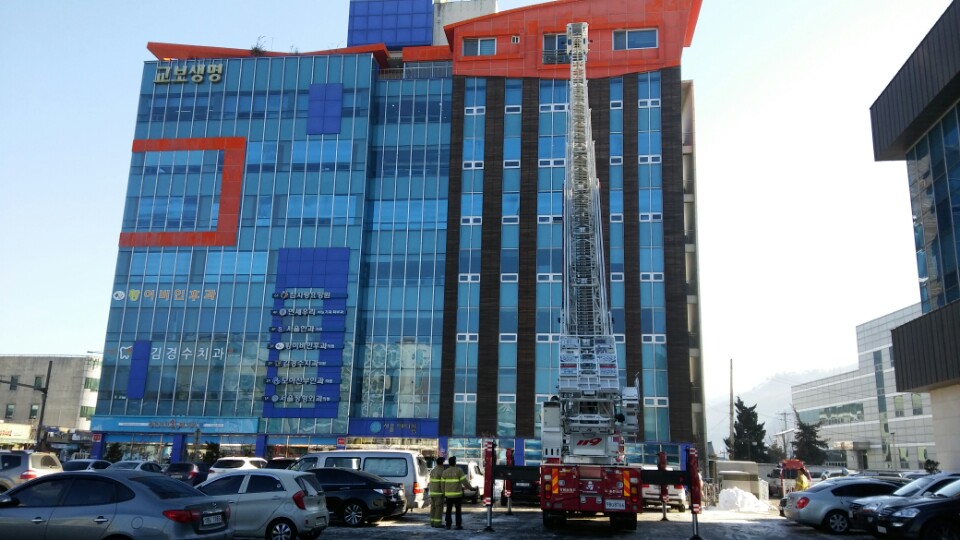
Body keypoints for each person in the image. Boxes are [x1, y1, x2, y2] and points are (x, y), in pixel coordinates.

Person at [441, 456, 472, 530]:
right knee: (458, 511)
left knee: (448, 510)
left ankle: (448, 524)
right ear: (455, 463)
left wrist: (443, 493)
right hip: (457, 495)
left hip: (448, 495)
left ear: (449, 463)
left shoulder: (445, 472)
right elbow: (464, 481)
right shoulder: (459, 471)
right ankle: (458, 525)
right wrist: (470, 488)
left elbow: (442, 484)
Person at [428, 456, 447, 528]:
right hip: (439, 493)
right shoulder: (442, 471)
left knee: (433, 508)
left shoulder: (433, 470)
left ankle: (432, 522)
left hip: (432, 492)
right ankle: (437, 523)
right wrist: (444, 492)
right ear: (442, 463)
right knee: (438, 509)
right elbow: (443, 483)